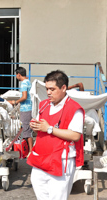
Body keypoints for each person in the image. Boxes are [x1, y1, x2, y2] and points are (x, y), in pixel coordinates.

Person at [27, 70, 84, 200]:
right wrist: (36, 127)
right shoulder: (44, 105)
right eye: (47, 89)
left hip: (61, 161)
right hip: (41, 159)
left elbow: (75, 135)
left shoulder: (74, 109)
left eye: (52, 89)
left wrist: (49, 129)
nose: (48, 93)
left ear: (63, 88)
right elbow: (41, 128)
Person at [9, 67, 33, 154]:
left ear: (19, 74)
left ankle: (30, 151)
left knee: (26, 130)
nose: (16, 76)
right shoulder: (28, 81)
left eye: (16, 75)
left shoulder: (23, 83)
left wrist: (15, 102)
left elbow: (24, 97)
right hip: (28, 108)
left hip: (26, 109)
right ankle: (28, 150)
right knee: (27, 130)